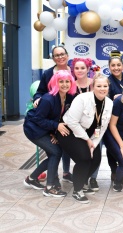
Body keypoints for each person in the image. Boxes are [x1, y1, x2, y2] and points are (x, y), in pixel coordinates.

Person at [56, 73, 113, 204]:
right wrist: (87, 140)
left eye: (105, 86)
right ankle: (77, 190)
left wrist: (93, 144)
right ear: (93, 86)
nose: (102, 89)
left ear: (108, 87)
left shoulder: (109, 103)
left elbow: (102, 127)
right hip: (69, 132)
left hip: (91, 135)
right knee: (84, 158)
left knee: (96, 158)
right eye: (99, 86)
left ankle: (81, 181)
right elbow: (72, 122)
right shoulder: (82, 98)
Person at [23, 70, 76, 197]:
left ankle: (32, 179)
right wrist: (55, 127)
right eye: (61, 81)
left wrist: (53, 132)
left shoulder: (68, 97)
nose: (64, 84)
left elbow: (58, 117)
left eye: (67, 81)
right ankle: (50, 187)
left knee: (55, 153)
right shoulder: (48, 98)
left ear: (71, 83)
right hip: (34, 129)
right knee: (56, 152)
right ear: (55, 83)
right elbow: (37, 119)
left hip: (46, 129)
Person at [33, 45, 73, 183]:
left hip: (67, 113)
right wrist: (38, 98)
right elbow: (40, 91)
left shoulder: (74, 70)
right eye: (57, 55)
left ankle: (66, 172)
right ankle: (53, 178)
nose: (60, 57)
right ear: (53, 58)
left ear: (67, 55)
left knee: (65, 145)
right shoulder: (48, 73)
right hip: (52, 115)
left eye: (62, 54)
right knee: (55, 149)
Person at [71, 57, 100, 191]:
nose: (80, 70)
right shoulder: (70, 85)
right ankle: (77, 181)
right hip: (76, 127)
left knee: (96, 157)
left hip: (94, 126)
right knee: (84, 157)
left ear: (88, 69)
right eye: (77, 68)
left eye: (83, 68)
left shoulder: (94, 83)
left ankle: (85, 180)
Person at [106, 50, 123, 182]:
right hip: (112, 120)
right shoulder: (108, 81)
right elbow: (105, 99)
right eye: (113, 65)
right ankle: (113, 171)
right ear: (109, 67)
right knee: (112, 148)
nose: (116, 68)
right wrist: (115, 98)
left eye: (118, 65)